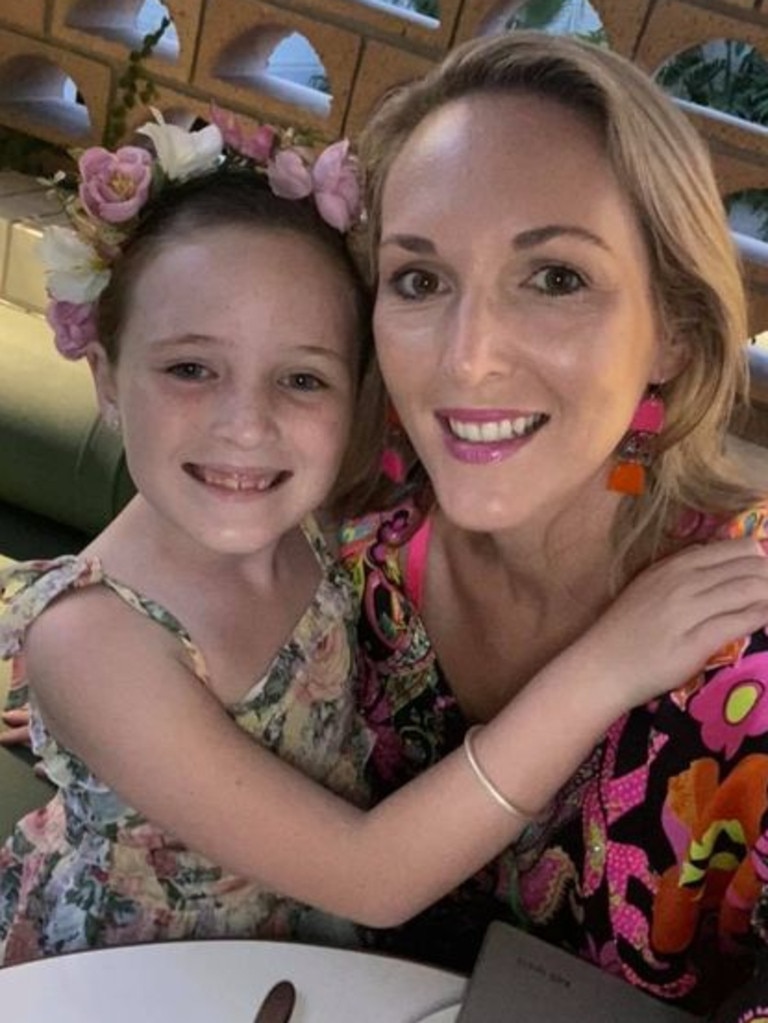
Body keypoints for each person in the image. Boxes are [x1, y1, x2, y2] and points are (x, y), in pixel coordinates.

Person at [5, 108, 763, 969]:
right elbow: (369, 875)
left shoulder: (327, 509)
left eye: (555, 277)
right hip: (135, 977)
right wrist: (608, 665)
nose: (246, 427)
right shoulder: (348, 527)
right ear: (105, 377)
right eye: (421, 279)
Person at [338, 29, 768, 1018]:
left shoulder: (749, 658)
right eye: (418, 279)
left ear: (674, 335)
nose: (468, 358)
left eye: (556, 278)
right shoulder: (354, 554)